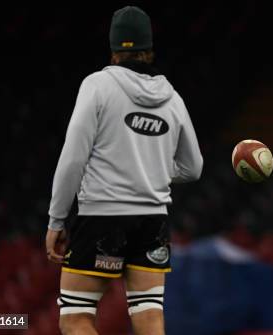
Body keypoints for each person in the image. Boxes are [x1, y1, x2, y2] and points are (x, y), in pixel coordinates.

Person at [45, 6, 203, 335]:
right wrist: (150, 170)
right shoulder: (172, 98)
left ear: (114, 49)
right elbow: (194, 167)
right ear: (150, 49)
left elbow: (73, 158)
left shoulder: (98, 85)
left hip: (103, 216)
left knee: (75, 317)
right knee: (149, 319)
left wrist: (56, 220)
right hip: (152, 223)